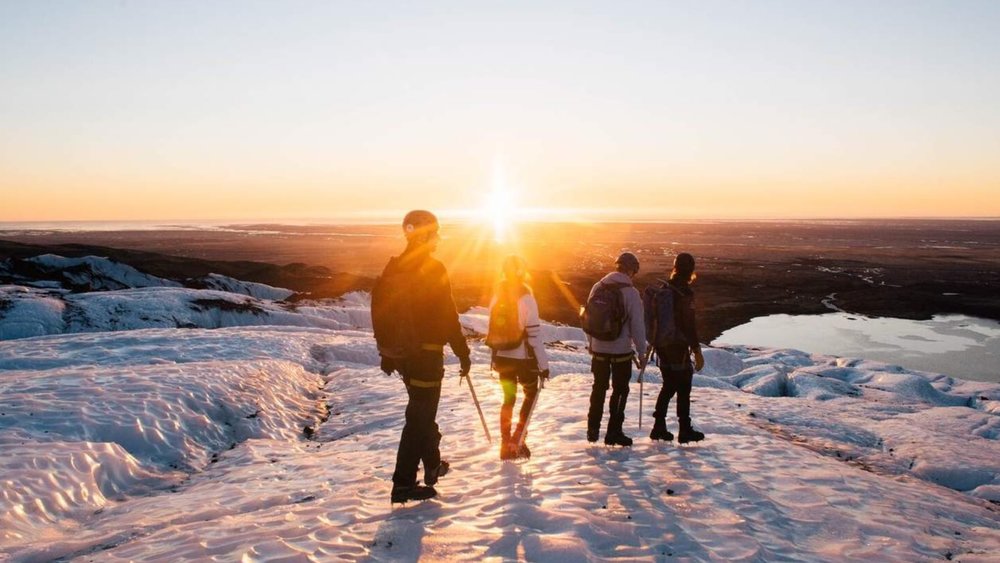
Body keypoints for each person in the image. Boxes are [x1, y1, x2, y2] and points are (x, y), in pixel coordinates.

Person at [372, 210, 472, 503]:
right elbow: (448, 316)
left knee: (421, 413)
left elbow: (384, 312)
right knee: (419, 419)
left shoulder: (394, 268)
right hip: (426, 356)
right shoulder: (433, 268)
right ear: (426, 235)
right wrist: (463, 352)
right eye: (435, 233)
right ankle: (403, 484)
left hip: (403, 355)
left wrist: (387, 351)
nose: (438, 239)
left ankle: (432, 465)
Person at [487, 255, 550, 460]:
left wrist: (494, 357)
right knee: (530, 394)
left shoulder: (497, 297)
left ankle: (505, 444)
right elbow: (534, 336)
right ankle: (518, 439)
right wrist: (544, 365)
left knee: (508, 399)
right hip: (522, 359)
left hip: (502, 357)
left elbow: (493, 329)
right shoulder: (526, 298)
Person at [585, 252, 646, 446]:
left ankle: (592, 429)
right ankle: (614, 432)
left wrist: (592, 343)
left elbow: (588, 319)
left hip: (598, 349)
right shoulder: (631, 293)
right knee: (620, 390)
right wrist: (642, 352)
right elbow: (637, 326)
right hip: (621, 351)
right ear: (631, 270)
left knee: (598, 388)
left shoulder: (598, 286)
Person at [649, 252, 705, 444]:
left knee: (668, 385)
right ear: (690, 270)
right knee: (684, 387)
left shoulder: (664, 289)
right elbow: (689, 325)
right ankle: (684, 429)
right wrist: (697, 350)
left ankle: (659, 426)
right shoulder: (684, 293)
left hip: (662, 345)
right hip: (678, 346)